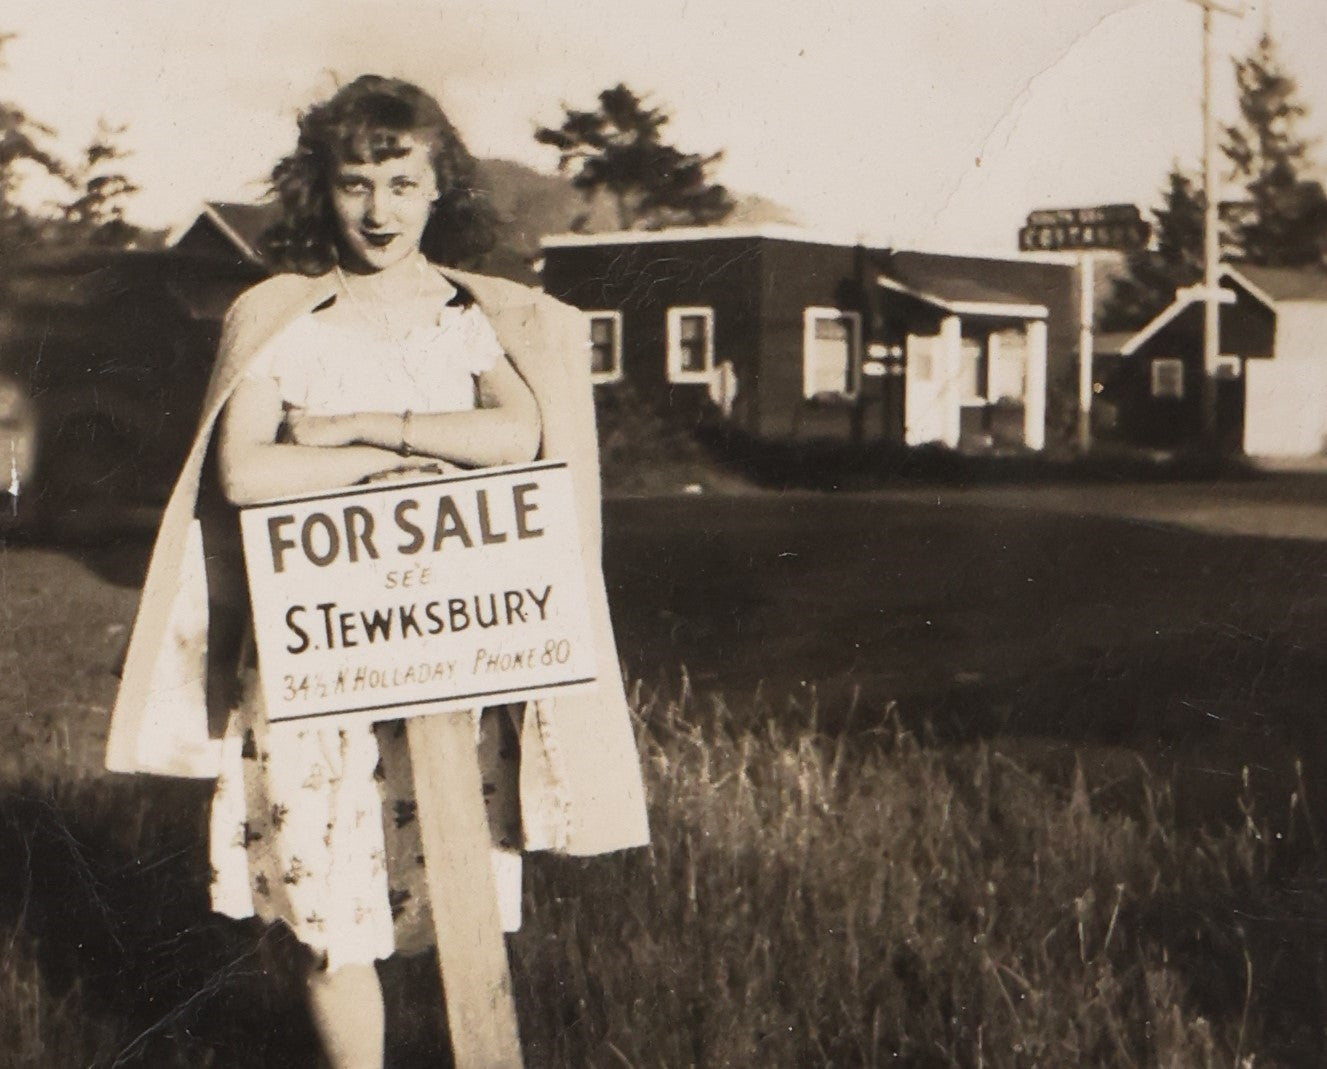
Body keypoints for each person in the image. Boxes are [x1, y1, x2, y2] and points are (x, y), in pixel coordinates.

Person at [105, 75, 649, 1069]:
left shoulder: (472, 316)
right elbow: (247, 468)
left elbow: (517, 432)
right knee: (327, 907)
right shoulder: (286, 318)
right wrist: (394, 464)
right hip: (321, 663)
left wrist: (358, 428)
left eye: (402, 182)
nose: (380, 209)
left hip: (448, 657)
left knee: (451, 883)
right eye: (356, 183)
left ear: (440, 185)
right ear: (322, 189)